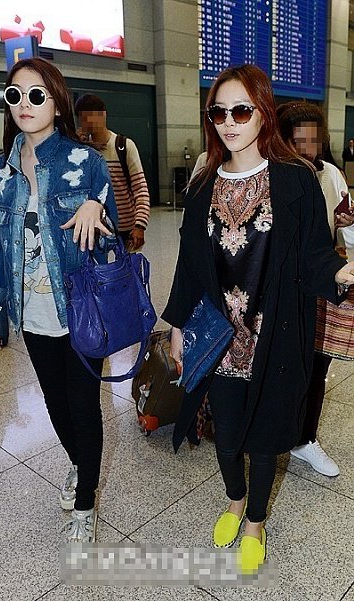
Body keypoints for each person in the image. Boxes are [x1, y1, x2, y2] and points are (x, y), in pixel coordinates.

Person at [161, 64, 354, 574]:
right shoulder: (203, 185)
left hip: (276, 334)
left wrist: (342, 270)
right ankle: (234, 499)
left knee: (266, 438)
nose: (229, 122)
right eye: (219, 112)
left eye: (241, 111)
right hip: (220, 339)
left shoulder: (295, 180)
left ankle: (255, 521)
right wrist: (177, 327)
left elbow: (314, 255)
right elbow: (188, 265)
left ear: (263, 113)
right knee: (226, 437)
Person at [0, 58, 118, 544]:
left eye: (36, 95)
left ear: (57, 104)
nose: (24, 104)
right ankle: (81, 465)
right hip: (32, 312)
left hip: (81, 308)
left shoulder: (86, 163)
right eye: (14, 95)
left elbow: (112, 240)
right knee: (55, 403)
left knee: (84, 405)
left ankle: (86, 502)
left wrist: (97, 206)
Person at [277, 101, 354, 477]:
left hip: (317, 286)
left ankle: (304, 439)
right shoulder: (267, 175)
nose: (308, 149)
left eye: (314, 140)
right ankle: (268, 435)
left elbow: (345, 230)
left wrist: (345, 224)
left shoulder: (331, 176)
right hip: (275, 288)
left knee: (315, 365)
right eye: (298, 141)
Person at [74, 93, 150, 250]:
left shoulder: (124, 146)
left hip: (126, 229)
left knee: (127, 266)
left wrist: (140, 225)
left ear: (103, 115)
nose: (88, 123)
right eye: (84, 119)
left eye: (92, 117)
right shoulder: (81, 150)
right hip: (95, 228)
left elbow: (140, 188)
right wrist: (75, 147)